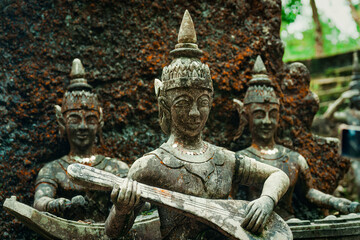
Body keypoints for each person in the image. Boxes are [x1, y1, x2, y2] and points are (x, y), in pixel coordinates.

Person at [104, 11, 290, 240]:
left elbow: (278, 175)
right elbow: (112, 234)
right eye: (183, 103)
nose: (194, 113)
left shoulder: (223, 159)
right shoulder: (149, 166)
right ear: (165, 106)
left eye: (202, 103)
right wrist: (122, 209)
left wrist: (266, 201)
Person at [232, 55, 360, 220]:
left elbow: (308, 193)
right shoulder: (240, 159)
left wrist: (335, 202)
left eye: (272, 114)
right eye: (259, 114)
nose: (266, 121)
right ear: (245, 116)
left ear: (279, 117)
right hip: (255, 227)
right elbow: (230, 201)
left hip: (293, 225)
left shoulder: (293, 159)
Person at [33, 59, 129, 222]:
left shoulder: (116, 168)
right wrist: (62, 205)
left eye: (90, 120)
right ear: (62, 124)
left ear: (100, 124)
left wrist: (128, 201)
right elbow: (40, 202)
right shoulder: (52, 169)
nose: (83, 127)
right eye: (75, 120)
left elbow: (140, 203)